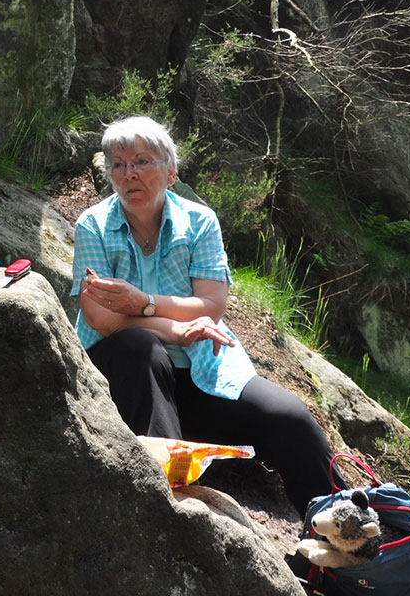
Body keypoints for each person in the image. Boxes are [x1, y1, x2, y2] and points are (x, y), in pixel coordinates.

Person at [71, 115, 342, 516]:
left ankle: (343, 535)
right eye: (118, 164)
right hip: (124, 377)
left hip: (201, 372)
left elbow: (212, 304)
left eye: (142, 161)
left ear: (171, 170)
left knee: (290, 418)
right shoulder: (93, 225)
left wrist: (142, 302)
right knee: (140, 345)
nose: (130, 174)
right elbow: (100, 318)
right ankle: (170, 502)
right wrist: (174, 328)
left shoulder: (199, 222)